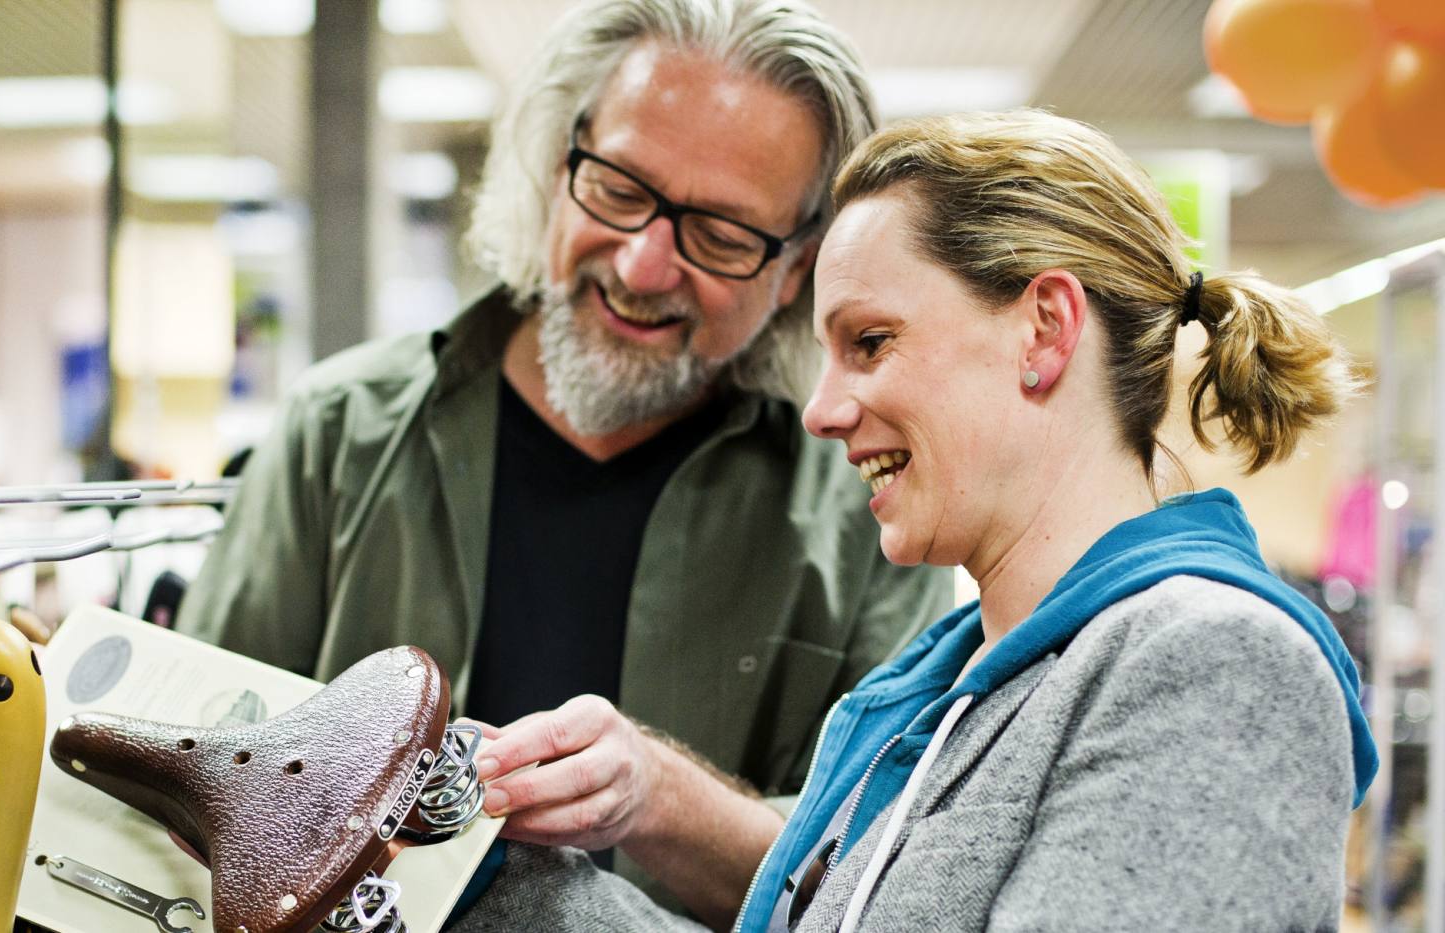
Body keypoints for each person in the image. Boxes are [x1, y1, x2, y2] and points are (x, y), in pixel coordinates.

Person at [453, 108, 1377, 931]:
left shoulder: (1210, 664)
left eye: (871, 342)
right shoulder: (946, 685)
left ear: (1045, 329)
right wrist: (481, 871)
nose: (822, 409)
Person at [178, 0, 952, 815]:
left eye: (722, 234)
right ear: (558, 167)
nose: (646, 266)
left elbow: (873, 866)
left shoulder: (863, 512)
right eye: (618, 189)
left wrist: (664, 804)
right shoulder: (337, 433)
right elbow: (194, 767)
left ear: (796, 271)